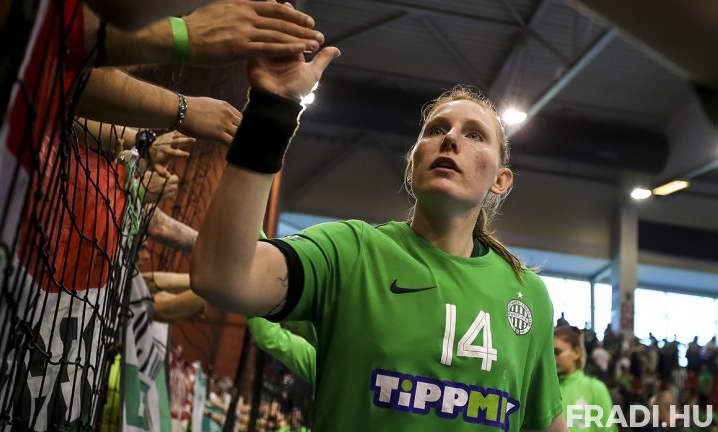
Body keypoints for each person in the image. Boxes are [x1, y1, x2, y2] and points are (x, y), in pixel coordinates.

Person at [190, 24, 566, 430]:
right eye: (436, 130)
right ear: (413, 162)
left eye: (474, 134)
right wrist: (272, 110)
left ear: (500, 180)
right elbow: (222, 277)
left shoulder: (528, 295)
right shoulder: (351, 251)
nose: (450, 139)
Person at [554, 327, 616, 432]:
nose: (552, 358)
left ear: (576, 352)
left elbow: (608, 429)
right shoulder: (545, 390)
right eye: (549, 353)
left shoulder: (595, 388)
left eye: (557, 352)